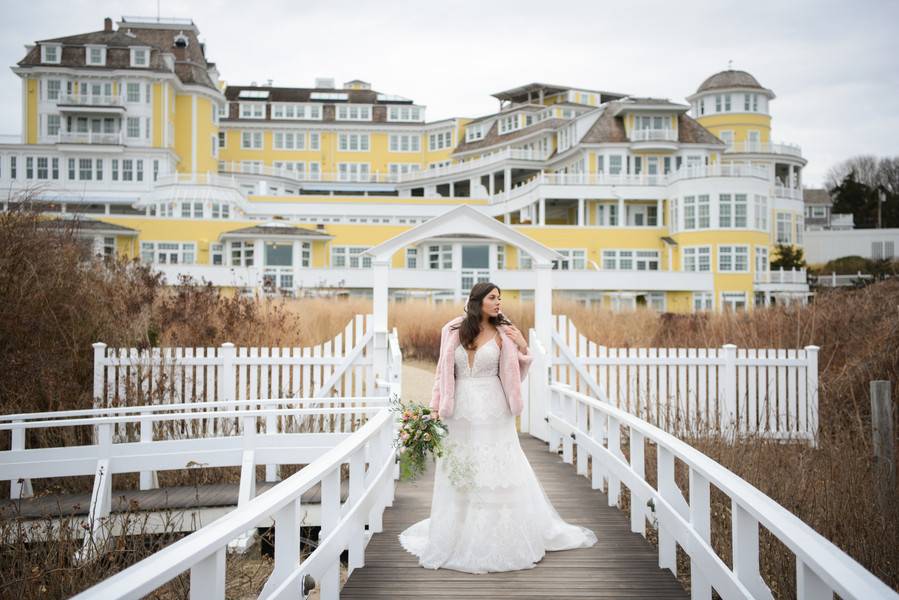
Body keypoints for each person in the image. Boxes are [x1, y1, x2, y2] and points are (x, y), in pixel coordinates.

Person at [398, 282, 597, 573]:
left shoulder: (505, 332)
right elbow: (442, 373)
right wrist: (435, 407)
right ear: (477, 301)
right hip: (459, 412)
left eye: (500, 298)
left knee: (495, 469)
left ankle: (496, 537)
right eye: (493, 298)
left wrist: (523, 346)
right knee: (461, 469)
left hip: (493, 410)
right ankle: (457, 533)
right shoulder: (452, 331)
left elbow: (516, 373)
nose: (498, 302)